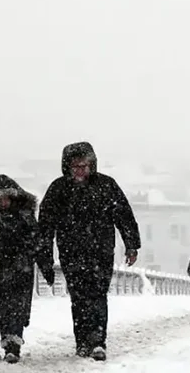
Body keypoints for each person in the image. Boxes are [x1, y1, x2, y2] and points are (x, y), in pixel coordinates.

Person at [37, 141, 141, 362]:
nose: (80, 171)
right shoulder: (58, 189)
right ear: (68, 167)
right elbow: (45, 225)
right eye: (76, 166)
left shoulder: (106, 185)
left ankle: (97, 341)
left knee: (97, 294)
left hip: (101, 251)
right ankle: (82, 341)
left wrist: (132, 244)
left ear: (92, 165)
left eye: (84, 165)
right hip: (71, 252)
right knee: (79, 297)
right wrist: (44, 255)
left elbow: (123, 215)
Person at [0, 174, 53, 364]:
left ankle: (13, 344)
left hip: (20, 271)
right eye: (0, 199)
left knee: (18, 308)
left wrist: (45, 266)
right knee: (0, 308)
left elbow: (38, 243)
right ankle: (7, 338)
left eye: (7, 198)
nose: (4, 202)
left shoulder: (25, 218)